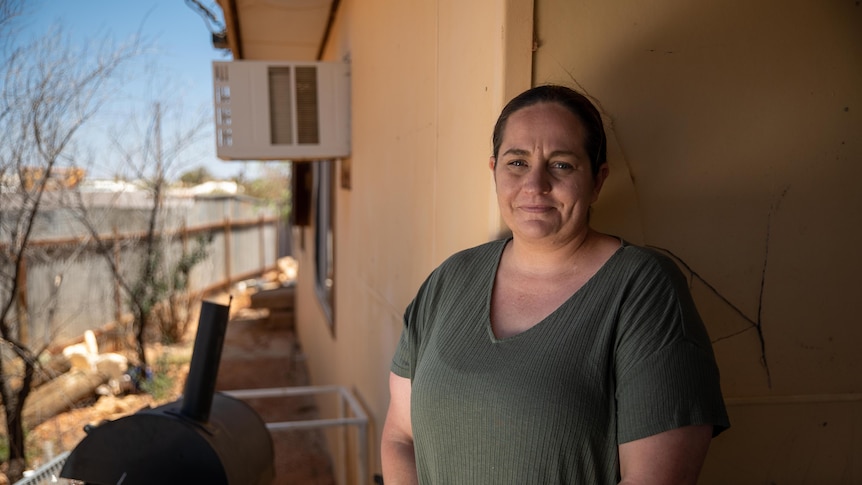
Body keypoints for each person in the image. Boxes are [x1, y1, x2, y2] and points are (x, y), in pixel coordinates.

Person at [381, 84, 730, 484]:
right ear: (494, 170)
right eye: (517, 163)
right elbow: (399, 437)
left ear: (597, 181)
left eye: (561, 165)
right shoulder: (449, 280)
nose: (535, 184)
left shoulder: (643, 290)